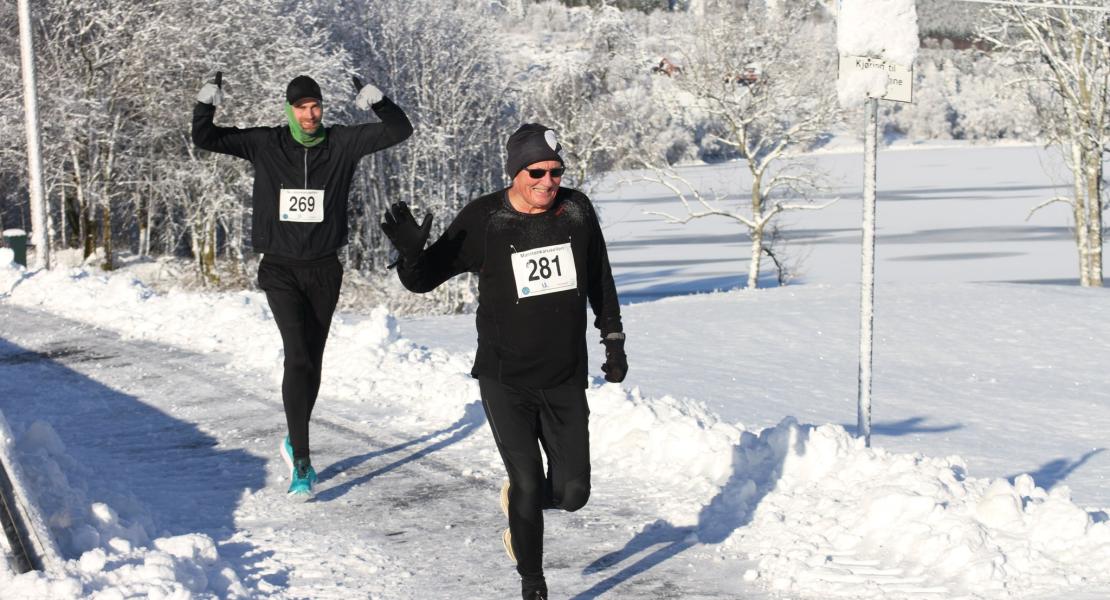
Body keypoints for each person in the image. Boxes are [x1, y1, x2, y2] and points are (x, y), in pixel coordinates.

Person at [380, 123, 628, 600]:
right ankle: (532, 582)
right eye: (537, 171)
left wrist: (612, 340)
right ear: (515, 171)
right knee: (529, 482)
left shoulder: (576, 211)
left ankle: (522, 509)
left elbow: (600, 277)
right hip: (505, 378)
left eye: (556, 171)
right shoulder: (485, 219)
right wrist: (411, 257)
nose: (548, 181)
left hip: (564, 376)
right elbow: (425, 278)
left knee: (573, 494)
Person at [192, 73, 413, 499]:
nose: (309, 115)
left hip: (324, 270)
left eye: (315, 107)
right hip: (280, 269)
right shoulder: (266, 143)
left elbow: (400, 129)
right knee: (296, 357)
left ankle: (295, 436)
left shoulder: (342, 143)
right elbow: (206, 138)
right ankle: (304, 463)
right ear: (289, 109)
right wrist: (207, 103)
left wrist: (378, 100)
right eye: (301, 107)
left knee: (312, 360)